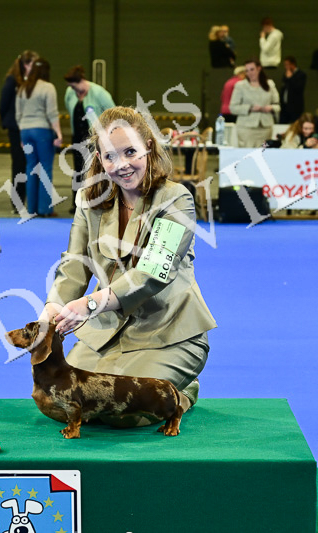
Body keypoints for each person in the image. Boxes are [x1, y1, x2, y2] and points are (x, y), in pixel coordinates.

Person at [40, 106, 216, 421]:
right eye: (110, 156)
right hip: (108, 332)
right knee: (56, 402)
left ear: (148, 147)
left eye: (130, 152)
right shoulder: (89, 201)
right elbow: (74, 263)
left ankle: (183, 390)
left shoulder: (177, 200)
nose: (121, 164)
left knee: (125, 412)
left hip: (168, 332)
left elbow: (152, 274)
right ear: (99, 158)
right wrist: (51, 310)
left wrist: (90, 304)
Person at [64, 64, 115, 211]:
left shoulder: (99, 93)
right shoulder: (70, 93)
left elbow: (113, 113)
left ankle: (97, 201)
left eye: (75, 86)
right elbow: (69, 108)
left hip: (95, 140)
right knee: (78, 171)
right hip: (77, 138)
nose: (73, 90)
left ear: (82, 81)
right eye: (71, 87)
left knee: (96, 170)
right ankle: (77, 203)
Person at [15, 58, 62, 217]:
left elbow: (18, 115)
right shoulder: (48, 87)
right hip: (42, 132)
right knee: (45, 168)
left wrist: (22, 136)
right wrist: (59, 133)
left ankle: (31, 208)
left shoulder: (22, 88)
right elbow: (52, 113)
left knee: (30, 167)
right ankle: (45, 209)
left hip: (25, 132)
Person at [0, 50, 39, 209]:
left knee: (31, 164)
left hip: (29, 126)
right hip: (16, 129)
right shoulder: (12, 80)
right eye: (33, 64)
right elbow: (3, 104)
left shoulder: (34, 81)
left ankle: (31, 201)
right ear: (25, 65)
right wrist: (8, 123)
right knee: (19, 164)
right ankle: (17, 202)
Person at [229, 59, 280, 148]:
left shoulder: (270, 84)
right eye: (247, 70)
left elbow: (277, 106)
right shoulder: (240, 86)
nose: (249, 73)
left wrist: (270, 108)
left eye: (252, 69)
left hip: (265, 128)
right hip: (246, 128)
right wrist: (249, 108)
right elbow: (233, 107)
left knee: (263, 153)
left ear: (259, 68)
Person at [279, 56, 306, 124]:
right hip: (285, 107)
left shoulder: (301, 74)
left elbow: (298, 88)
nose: (286, 67)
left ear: (292, 64)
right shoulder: (285, 74)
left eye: (287, 65)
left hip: (295, 107)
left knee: (296, 124)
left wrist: (290, 78)